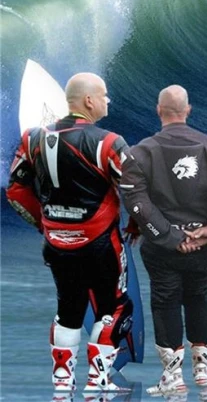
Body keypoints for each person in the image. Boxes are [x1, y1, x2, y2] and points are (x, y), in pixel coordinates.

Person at [5, 72, 132, 392]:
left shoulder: (32, 138)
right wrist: (143, 224)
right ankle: (98, 380)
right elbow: (136, 191)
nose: (107, 101)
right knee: (114, 308)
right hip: (101, 244)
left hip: (57, 244)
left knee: (69, 307)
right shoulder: (109, 142)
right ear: (89, 101)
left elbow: (16, 191)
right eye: (104, 96)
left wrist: (45, 223)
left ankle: (62, 381)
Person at [120, 85, 207, 396]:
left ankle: (173, 377)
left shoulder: (140, 151)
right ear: (188, 111)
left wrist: (171, 236)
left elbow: (135, 200)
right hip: (203, 244)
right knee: (199, 297)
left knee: (165, 300)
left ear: (159, 111)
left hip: (161, 247)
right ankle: (203, 369)